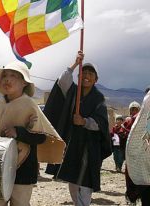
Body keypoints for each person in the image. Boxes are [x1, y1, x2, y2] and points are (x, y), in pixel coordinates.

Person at [0, 60, 65, 206]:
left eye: (14, 76)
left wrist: (19, 132)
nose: (7, 79)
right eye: (5, 76)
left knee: (20, 202)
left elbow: (41, 137)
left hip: (25, 166)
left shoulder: (30, 105)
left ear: (24, 83)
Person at [45, 51, 112, 206]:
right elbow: (62, 81)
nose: (86, 75)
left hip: (89, 147)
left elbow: (101, 123)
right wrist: (75, 63)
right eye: (84, 72)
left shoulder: (98, 98)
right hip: (72, 145)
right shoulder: (73, 91)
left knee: (86, 181)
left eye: (90, 73)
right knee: (73, 180)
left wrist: (84, 121)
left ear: (96, 79)